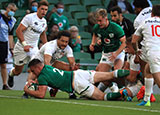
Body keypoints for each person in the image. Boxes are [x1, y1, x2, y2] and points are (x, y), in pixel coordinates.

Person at [24, 59, 130, 99]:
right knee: (111, 74)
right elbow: (55, 79)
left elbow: (41, 95)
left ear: (38, 67)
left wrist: (27, 90)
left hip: (77, 84)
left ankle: (122, 93)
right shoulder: (48, 67)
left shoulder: (42, 76)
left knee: (103, 97)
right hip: (79, 74)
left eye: (33, 71)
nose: (33, 74)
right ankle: (135, 73)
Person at [23, 30, 79, 99]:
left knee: (69, 69)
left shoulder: (68, 49)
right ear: (57, 39)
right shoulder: (51, 46)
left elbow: (72, 63)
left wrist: (74, 65)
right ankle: (26, 91)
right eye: (62, 41)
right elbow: (47, 64)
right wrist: (53, 84)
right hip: (39, 63)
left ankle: (71, 93)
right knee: (34, 73)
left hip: (52, 63)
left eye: (66, 42)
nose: (64, 43)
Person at [8, 0, 49, 88]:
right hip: (21, 48)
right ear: (37, 9)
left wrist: (47, 46)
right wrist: (25, 44)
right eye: (42, 9)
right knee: (18, 71)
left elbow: (42, 34)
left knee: (35, 68)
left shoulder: (44, 22)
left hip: (34, 49)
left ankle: (27, 88)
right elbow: (18, 31)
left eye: (46, 10)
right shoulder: (29, 18)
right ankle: (11, 74)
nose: (44, 11)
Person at [89, 8, 126, 91]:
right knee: (100, 74)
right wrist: (93, 43)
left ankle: (123, 90)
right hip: (106, 53)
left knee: (117, 72)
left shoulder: (116, 28)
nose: (98, 23)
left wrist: (116, 54)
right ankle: (113, 87)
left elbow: (124, 42)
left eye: (100, 21)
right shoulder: (97, 27)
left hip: (118, 52)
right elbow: (95, 34)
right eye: (97, 21)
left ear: (106, 19)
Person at [132, 4, 160, 106]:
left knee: (158, 79)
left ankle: (146, 99)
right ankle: (146, 99)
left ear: (152, 13)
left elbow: (134, 40)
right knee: (147, 71)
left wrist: (136, 50)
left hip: (154, 53)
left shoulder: (145, 22)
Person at [0, 3, 17, 90]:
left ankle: (5, 84)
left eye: (14, 11)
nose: (12, 12)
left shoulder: (13, 21)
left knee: (3, 64)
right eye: (11, 10)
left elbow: (10, 35)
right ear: (7, 8)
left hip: (3, 43)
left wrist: (11, 48)